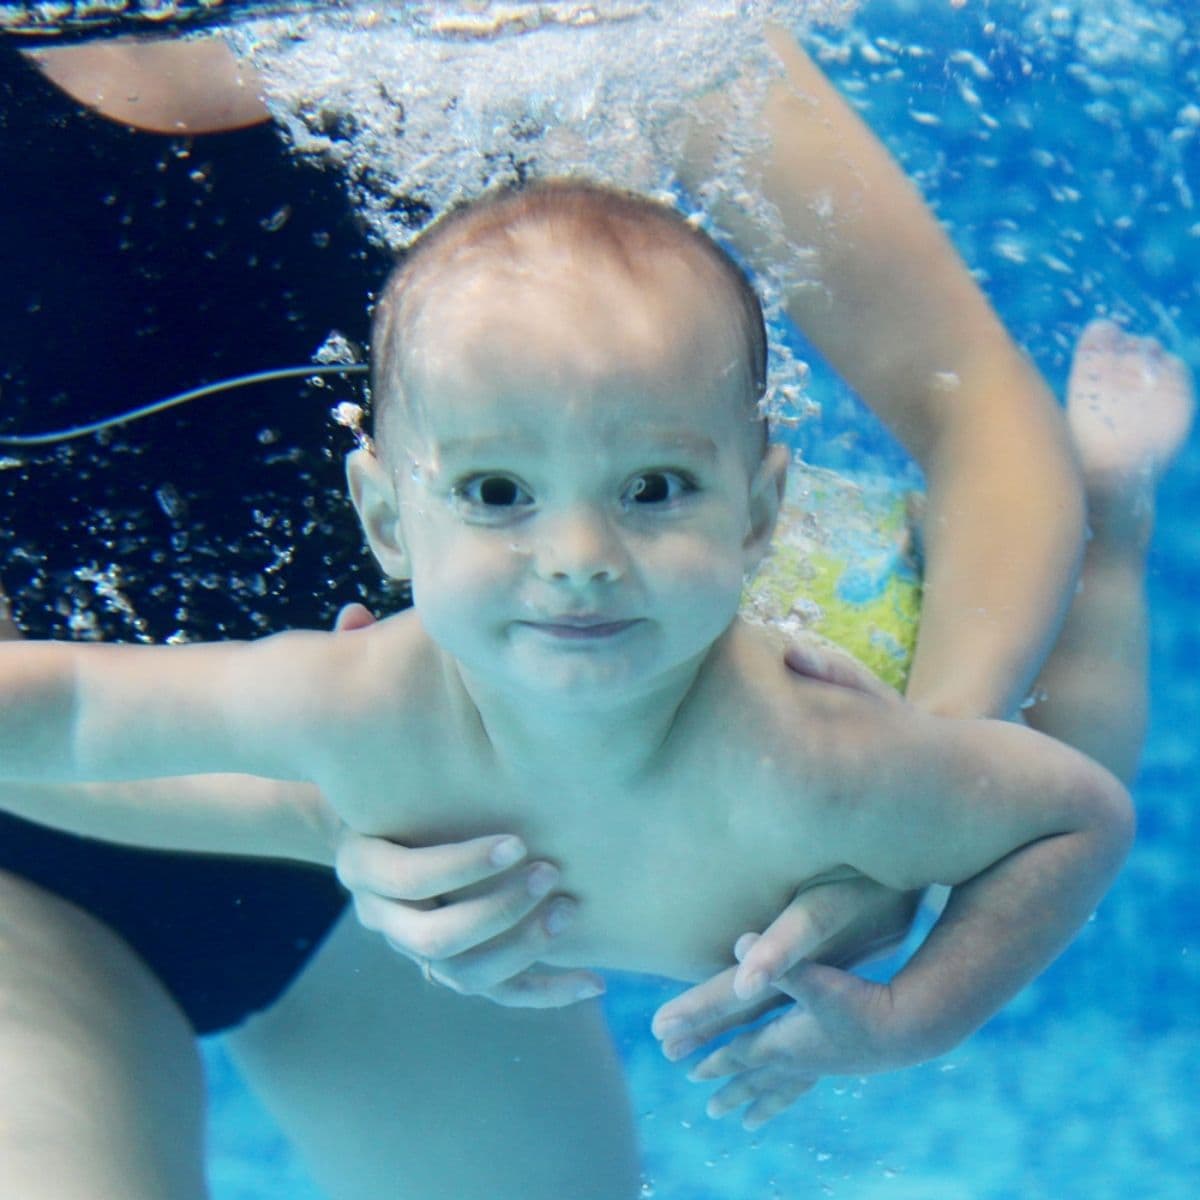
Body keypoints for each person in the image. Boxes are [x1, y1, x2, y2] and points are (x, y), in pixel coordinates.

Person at [0, 182, 1151, 1198]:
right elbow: (80, 709)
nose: (579, 552)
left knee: (1064, 720)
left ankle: (1119, 518)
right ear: (388, 520)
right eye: (498, 491)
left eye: (652, 487)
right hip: (41, 905)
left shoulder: (820, 756)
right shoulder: (362, 699)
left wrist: (916, 1013)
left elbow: (1079, 814)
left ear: (754, 514)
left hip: (850, 618)